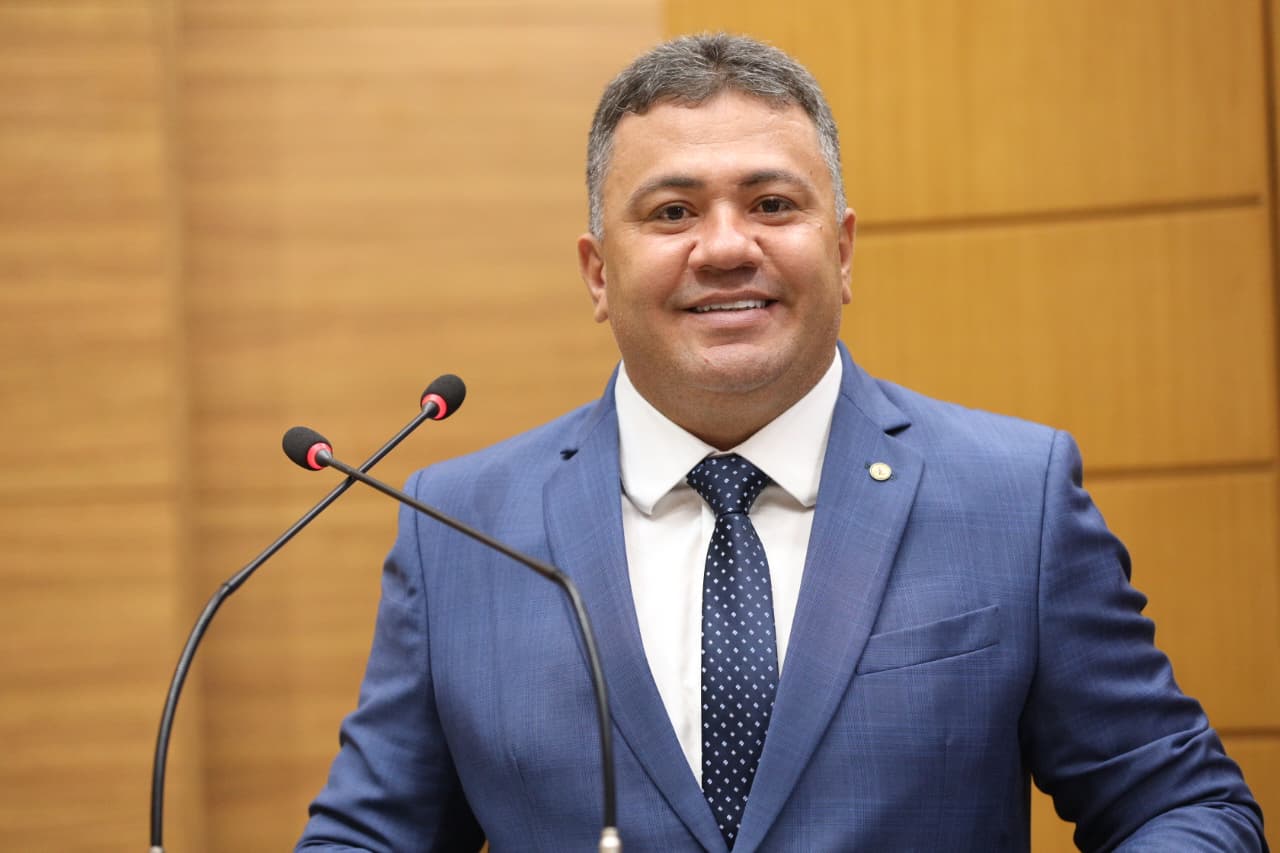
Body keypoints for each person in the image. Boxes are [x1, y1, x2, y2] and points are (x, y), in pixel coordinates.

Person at [297, 33, 1266, 851]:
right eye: (672, 212)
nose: (725, 248)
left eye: (771, 204)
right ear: (597, 273)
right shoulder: (458, 527)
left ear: (839, 250)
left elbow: (1185, 808)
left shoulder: (1012, 496)